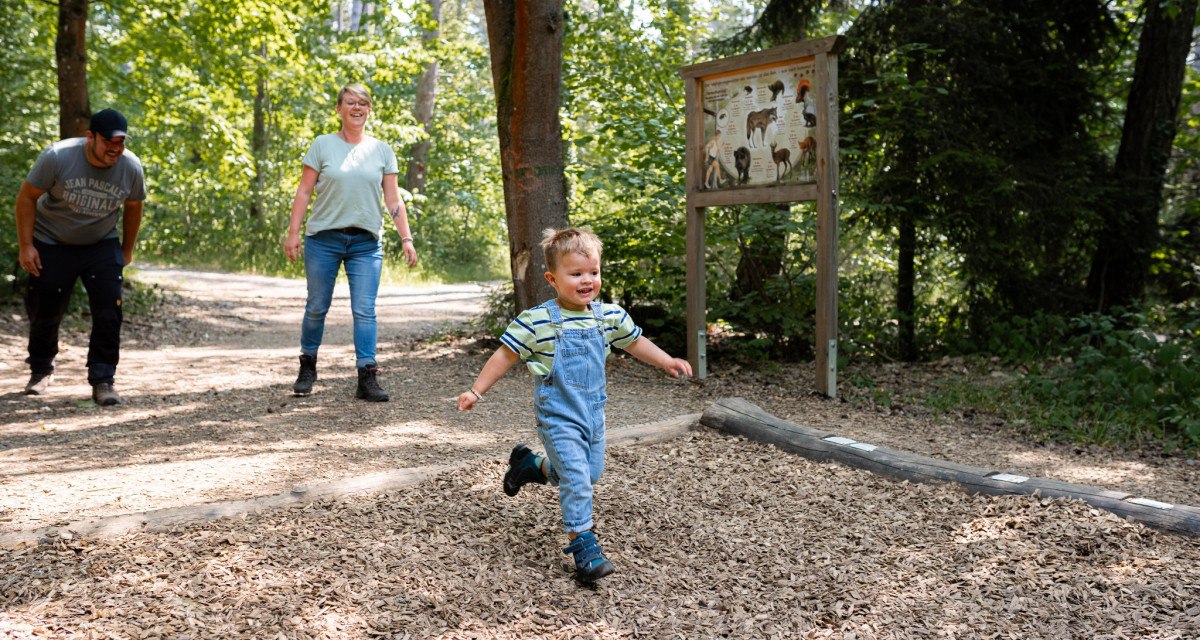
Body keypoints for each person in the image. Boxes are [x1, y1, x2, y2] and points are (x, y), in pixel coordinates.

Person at [457, 227, 692, 583]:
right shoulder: (537, 322)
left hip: (593, 416)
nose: (587, 280)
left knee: (589, 473)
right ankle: (584, 547)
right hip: (558, 416)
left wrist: (666, 361)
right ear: (553, 278)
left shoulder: (607, 317)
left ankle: (530, 465)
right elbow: (505, 355)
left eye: (593, 272)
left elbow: (636, 342)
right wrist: (477, 390)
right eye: (576, 273)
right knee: (579, 480)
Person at [285, 83, 418, 402]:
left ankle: (367, 375)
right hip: (323, 240)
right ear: (339, 109)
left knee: (365, 310)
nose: (356, 108)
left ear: (369, 110)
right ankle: (308, 366)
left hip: (365, 243)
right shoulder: (322, 145)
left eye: (362, 103)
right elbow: (304, 191)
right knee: (317, 306)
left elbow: (392, 198)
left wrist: (406, 237)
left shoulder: (382, 150)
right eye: (350, 103)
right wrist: (293, 233)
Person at [15, 108, 146, 406]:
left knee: (109, 309)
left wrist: (126, 250)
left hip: (101, 243)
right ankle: (40, 369)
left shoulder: (130, 166)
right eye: (109, 143)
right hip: (52, 240)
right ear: (91, 137)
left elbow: (134, 207)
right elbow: (26, 197)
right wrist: (26, 246)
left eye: (121, 143)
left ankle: (103, 379)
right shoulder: (58, 157)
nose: (116, 149)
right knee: (45, 306)